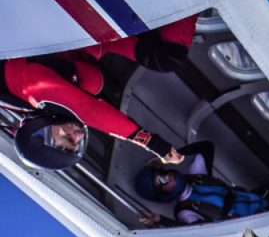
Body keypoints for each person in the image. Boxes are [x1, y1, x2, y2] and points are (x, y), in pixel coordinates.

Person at [1, 15, 199, 170]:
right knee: (165, 57)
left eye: (68, 139)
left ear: (40, 133)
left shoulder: (19, 87)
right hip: (89, 37)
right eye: (77, 144)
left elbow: (90, 110)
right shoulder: (43, 105)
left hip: (69, 19)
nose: (77, 136)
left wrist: (154, 144)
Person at [134, 141, 269, 226]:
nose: (169, 176)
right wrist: (160, 220)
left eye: (163, 172)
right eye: (162, 180)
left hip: (263, 196)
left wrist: (167, 158)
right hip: (268, 217)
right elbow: (191, 232)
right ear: (162, 193)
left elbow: (206, 147)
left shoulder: (195, 176)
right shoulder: (185, 211)